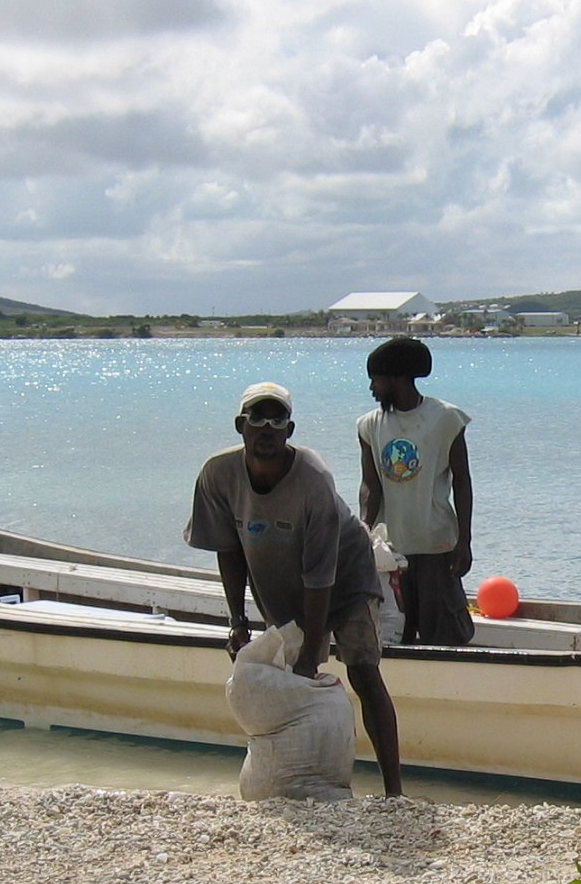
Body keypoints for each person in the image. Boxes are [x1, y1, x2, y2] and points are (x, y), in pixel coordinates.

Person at [187, 381, 404, 796]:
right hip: (280, 581)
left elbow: (321, 574)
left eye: (277, 419)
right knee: (289, 675)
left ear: (290, 428)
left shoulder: (313, 478)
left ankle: (394, 792)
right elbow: (228, 552)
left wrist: (310, 652)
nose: (267, 427)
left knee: (362, 668)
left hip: (346, 577)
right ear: (240, 426)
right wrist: (237, 622)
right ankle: (297, 783)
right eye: (257, 418)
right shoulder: (218, 475)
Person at [356, 336, 475, 646]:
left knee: (446, 633)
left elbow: (462, 480)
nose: (372, 389)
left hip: (436, 546)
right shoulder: (369, 425)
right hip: (390, 552)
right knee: (395, 633)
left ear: (397, 378)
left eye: (376, 380)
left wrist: (465, 540)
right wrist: (363, 532)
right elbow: (371, 485)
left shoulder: (446, 418)